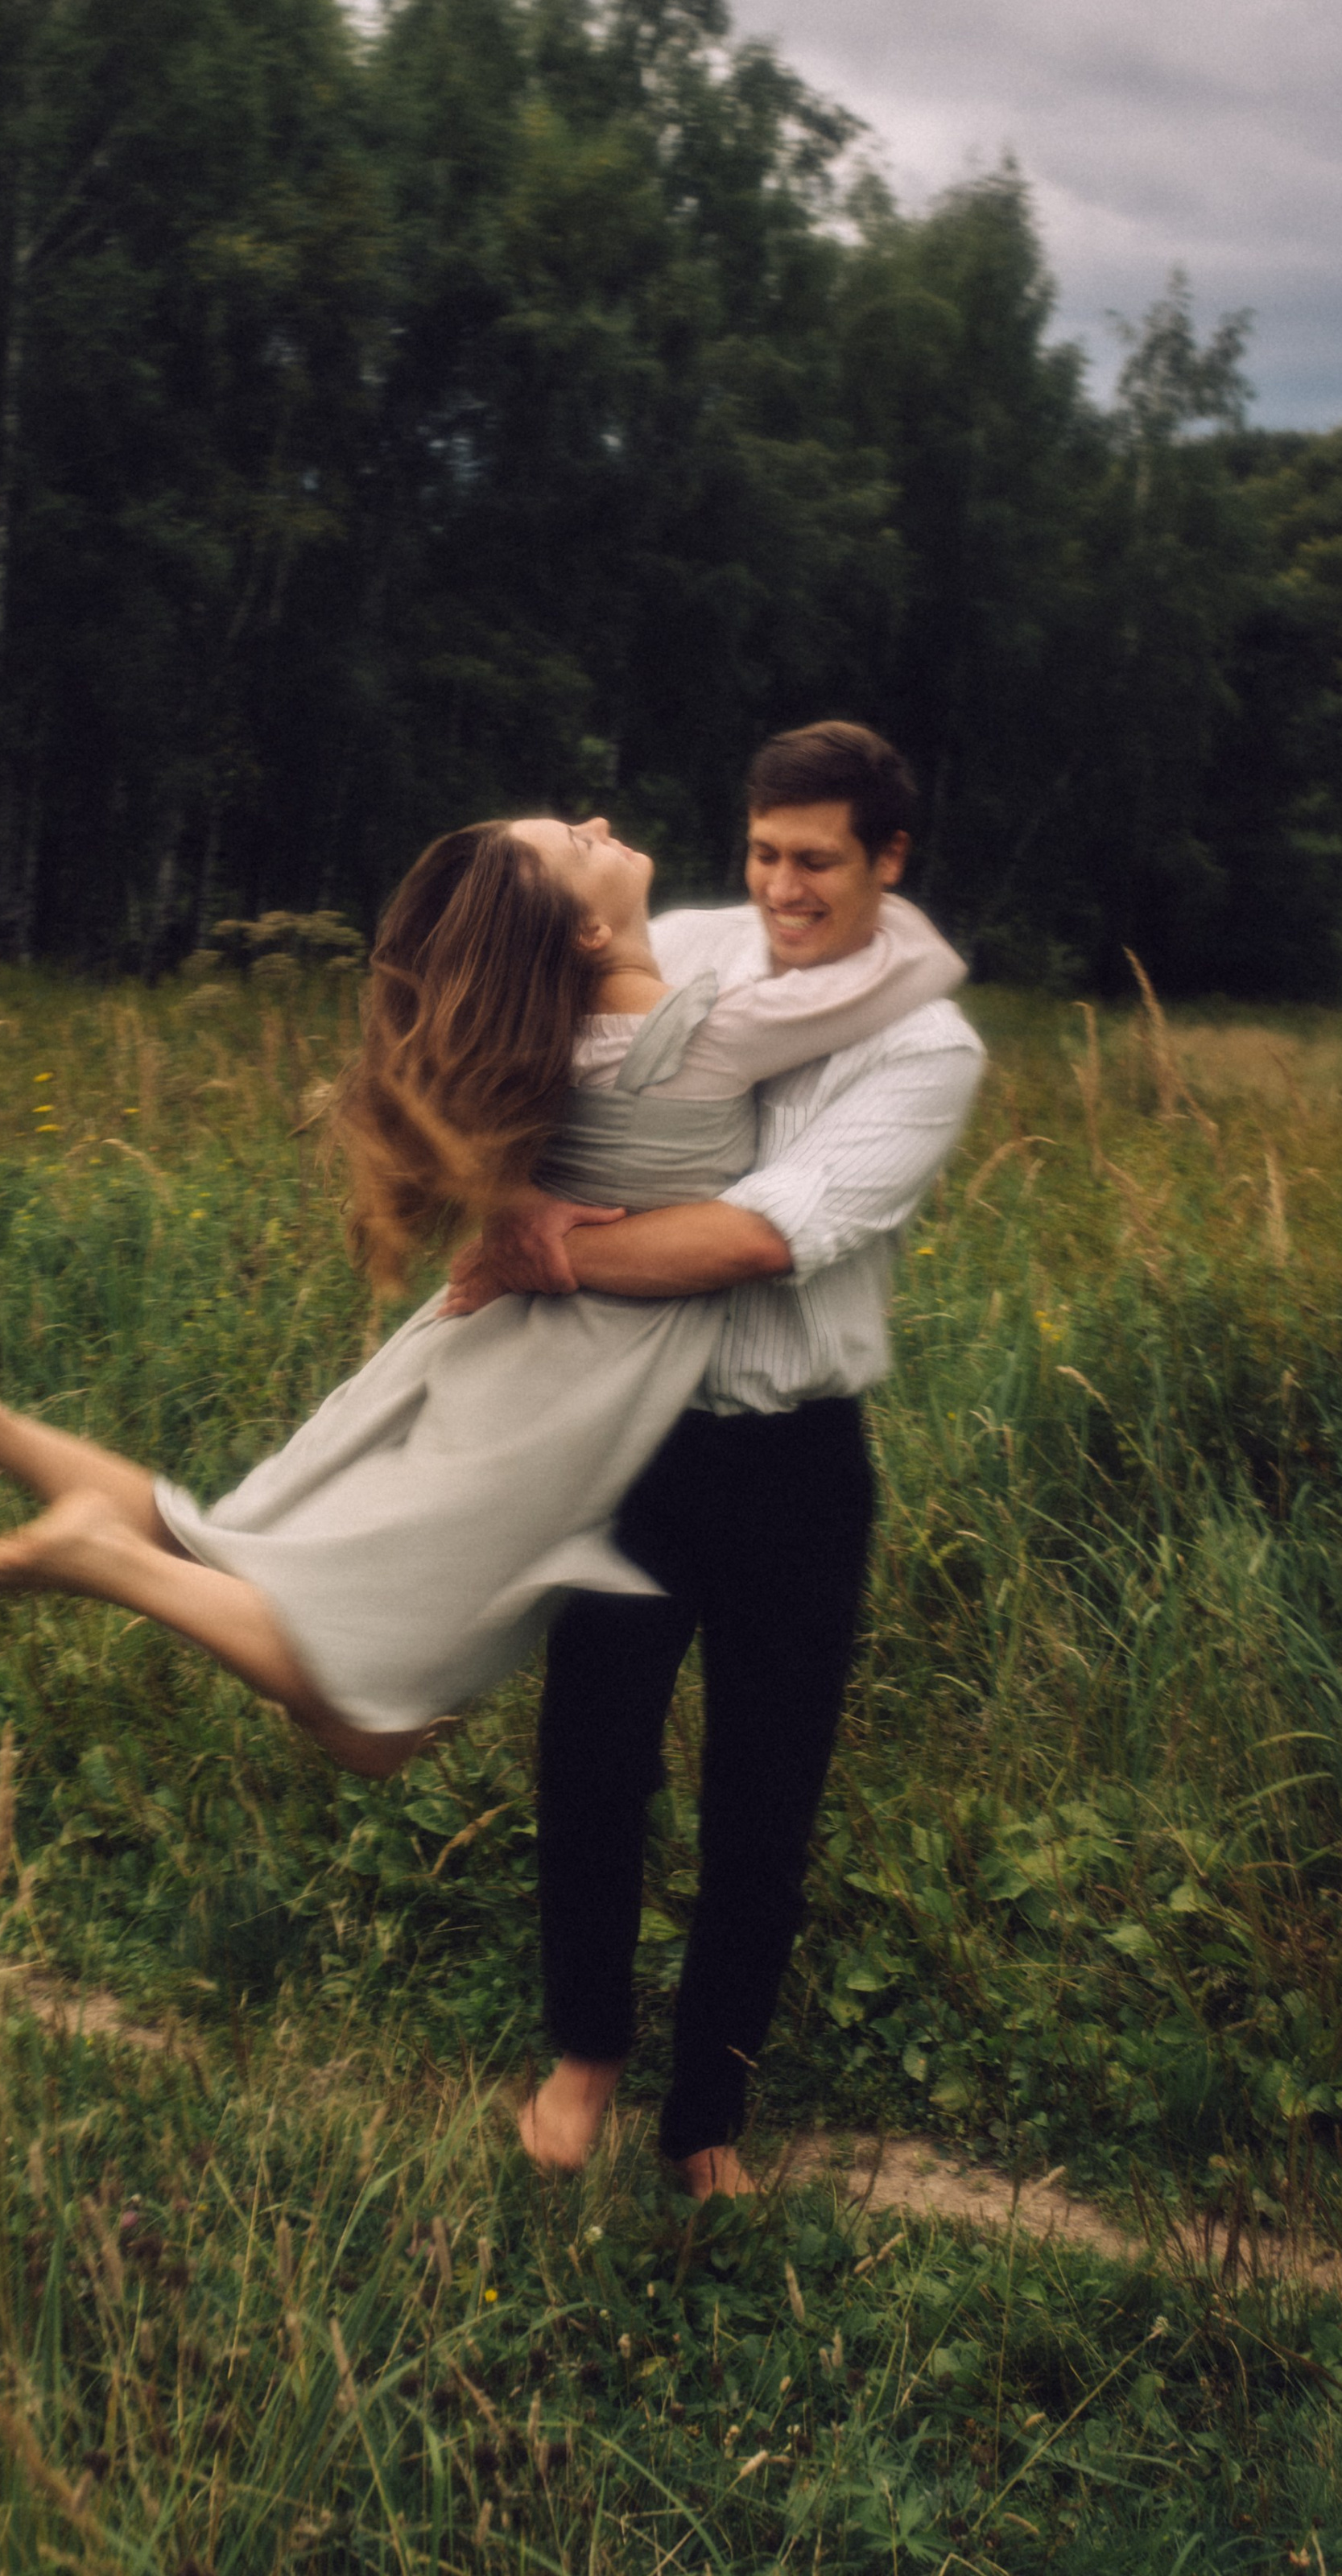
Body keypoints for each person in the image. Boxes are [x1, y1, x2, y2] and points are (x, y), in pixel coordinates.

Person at [0, 798, 964, 1790]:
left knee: (245, 1551)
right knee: (373, 1721)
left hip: (492, 1343)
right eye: (578, 840)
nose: (601, 822)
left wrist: (516, 1206)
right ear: (590, 926)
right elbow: (884, 987)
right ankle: (107, 1560)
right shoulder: (701, 1034)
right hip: (571, 1393)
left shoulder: (549, 1040)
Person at [450, 722, 985, 2198]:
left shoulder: (926, 1047)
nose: (784, 888)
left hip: (800, 1467)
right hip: (638, 1440)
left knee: (766, 1795)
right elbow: (511, 1008)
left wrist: (545, 1245)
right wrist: (492, 1179)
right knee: (592, 1759)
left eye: (817, 860)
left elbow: (753, 1239)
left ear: (888, 858)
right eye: (763, 853)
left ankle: (706, 2124)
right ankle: (584, 2062)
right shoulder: (688, 946)